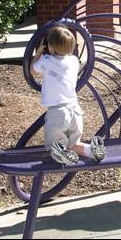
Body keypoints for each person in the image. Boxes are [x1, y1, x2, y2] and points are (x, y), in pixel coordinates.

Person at [31, 25, 106, 165]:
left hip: (57, 112)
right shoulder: (74, 61)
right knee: (73, 143)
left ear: (50, 48)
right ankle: (91, 150)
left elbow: (33, 71)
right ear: (71, 48)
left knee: (54, 145)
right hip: (75, 110)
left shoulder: (46, 61)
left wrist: (38, 54)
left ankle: (61, 154)